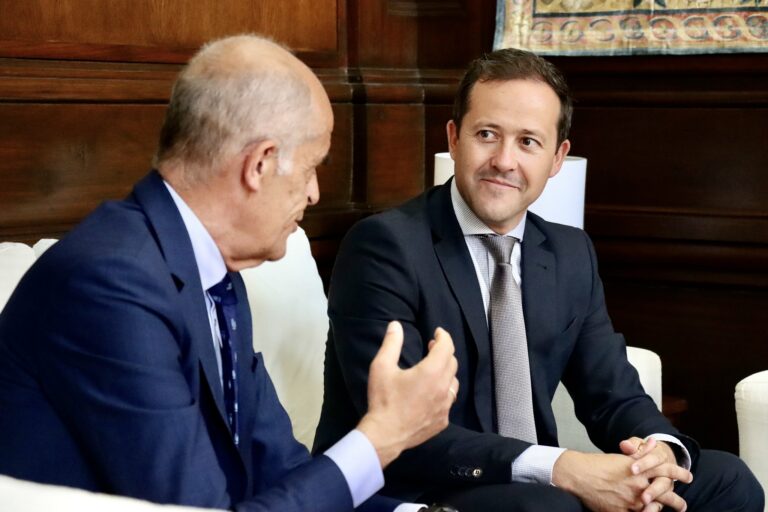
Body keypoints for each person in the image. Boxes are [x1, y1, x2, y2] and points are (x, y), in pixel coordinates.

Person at [0, 35, 462, 512]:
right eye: (311, 168)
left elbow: (278, 472)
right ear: (260, 164)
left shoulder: (215, 272)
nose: (315, 194)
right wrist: (382, 437)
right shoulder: (110, 284)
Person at [314, 48, 765, 512]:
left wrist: (659, 453)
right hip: (418, 487)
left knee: (727, 480)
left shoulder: (569, 253)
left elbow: (612, 394)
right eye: (487, 135)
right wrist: (562, 467)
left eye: (528, 142)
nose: (504, 161)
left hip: (536, 491)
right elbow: (400, 430)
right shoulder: (384, 246)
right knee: (548, 507)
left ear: (557, 158)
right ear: (453, 138)